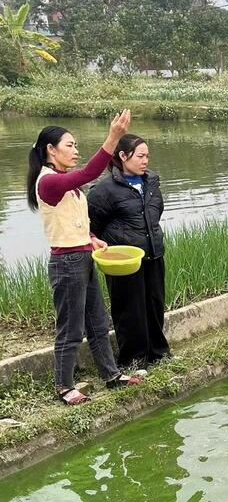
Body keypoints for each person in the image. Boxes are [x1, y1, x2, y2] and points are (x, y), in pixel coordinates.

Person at [26, 110, 142, 405]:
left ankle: (111, 376)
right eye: (70, 145)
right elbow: (91, 172)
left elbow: (70, 220)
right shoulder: (48, 182)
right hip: (67, 264)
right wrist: (114, 137)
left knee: (98, 323)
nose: (75, 151)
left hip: (83, 257)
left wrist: (90, 238)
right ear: (51, 150)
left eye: (76, 145)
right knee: (71, 329)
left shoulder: (66, 182)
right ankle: (64, 387)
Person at [88, 134, 171, 369]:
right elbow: (90, 225)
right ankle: (133, 361)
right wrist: (98, 241)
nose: (145, 161)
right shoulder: (105, 189)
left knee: (154, 304)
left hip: (153, 253)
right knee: (129, 310)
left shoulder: (151, 182)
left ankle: (158, 354)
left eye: (147, 156)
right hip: (123, 261)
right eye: (140, 156)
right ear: (123, 156)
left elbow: (155, 214)